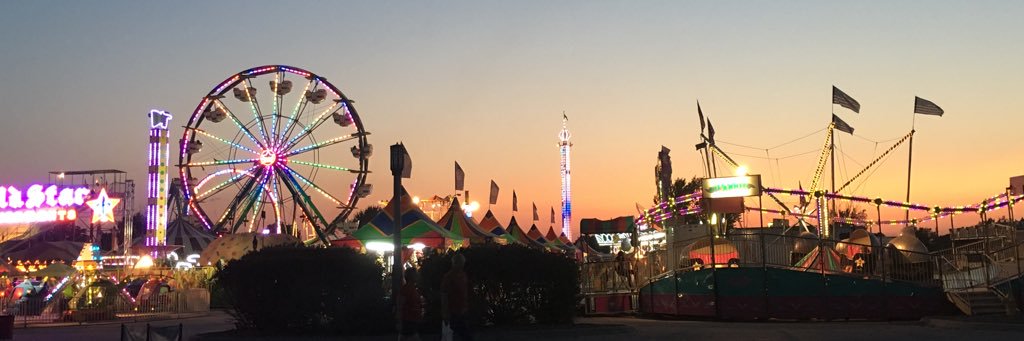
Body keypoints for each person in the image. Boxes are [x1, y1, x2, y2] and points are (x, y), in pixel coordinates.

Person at [441, 253, 472, 341]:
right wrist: (445, 313)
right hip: (454, 311)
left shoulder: (462, 275)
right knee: (463, 334)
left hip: (462, 309)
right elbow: (444, 295)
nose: (462, 265)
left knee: (460, 334)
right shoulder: (449, 277)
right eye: (460, 263)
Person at [399, 267, 422, 341]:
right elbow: (400, 305)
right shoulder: (408, 289)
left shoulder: (410, 288)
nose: (418, 276)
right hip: (409, 319)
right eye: (416, 275)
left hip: (410, 319)